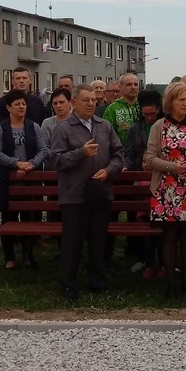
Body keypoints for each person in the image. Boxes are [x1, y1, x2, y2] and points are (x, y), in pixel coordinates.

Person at [50, 84, 124, 299]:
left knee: (98, 239)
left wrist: (108, 171)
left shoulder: (104, 126)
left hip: (100, 192)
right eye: (86, 100)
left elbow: (119, 154)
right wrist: (81, 153)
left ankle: (97, 281)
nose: (91, 103)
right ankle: (68, 284)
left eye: (93, 100)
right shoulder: (63, 129)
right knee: (72, 242)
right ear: (74, 103)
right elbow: (56, 160)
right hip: (74, 195)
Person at [144, 81, 186, 298]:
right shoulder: (159, 126)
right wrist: (173, 167)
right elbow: (149, 158)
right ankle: (171, 284)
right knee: (169, 236)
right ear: (170, 102)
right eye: (181, 100)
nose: (185, 104)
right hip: (167, 189)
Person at [0, 89, 49, 269]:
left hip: (30, 179)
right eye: (17, 104)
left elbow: (43, 150)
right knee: (8, 218)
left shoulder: (34, 127)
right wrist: (17, 163)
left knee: (29, 219)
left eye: (23, 104)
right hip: (8, 181)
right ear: (9, 107)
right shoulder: (1, 128)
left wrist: (30, 165)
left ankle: (27, 255)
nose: (21, 107)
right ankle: (9, 257)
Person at [125, 90, 164, 278]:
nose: (149, 118)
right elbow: (130, 152)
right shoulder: (135, 129)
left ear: (159, 110)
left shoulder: (165, 126)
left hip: (162, 177)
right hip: (141, 178)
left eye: (152, 114)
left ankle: (163, 261)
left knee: (161, 224)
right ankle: (144, 259)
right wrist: (127, 166)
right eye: (145, 114)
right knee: (142, 221)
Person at [103, 72, 140, 146]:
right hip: (121, 151)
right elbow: (106, 136)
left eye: (135, 84)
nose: (133, 87)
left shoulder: (142, 106)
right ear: (120, 87)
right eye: (128, 84)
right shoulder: (112, 109)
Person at [41, 87, 73, 153]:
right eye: (55, 103)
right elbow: (44, 147)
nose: (58, 106)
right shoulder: (47, 123)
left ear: (70, 103)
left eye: (61, 102)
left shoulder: (78, 121)